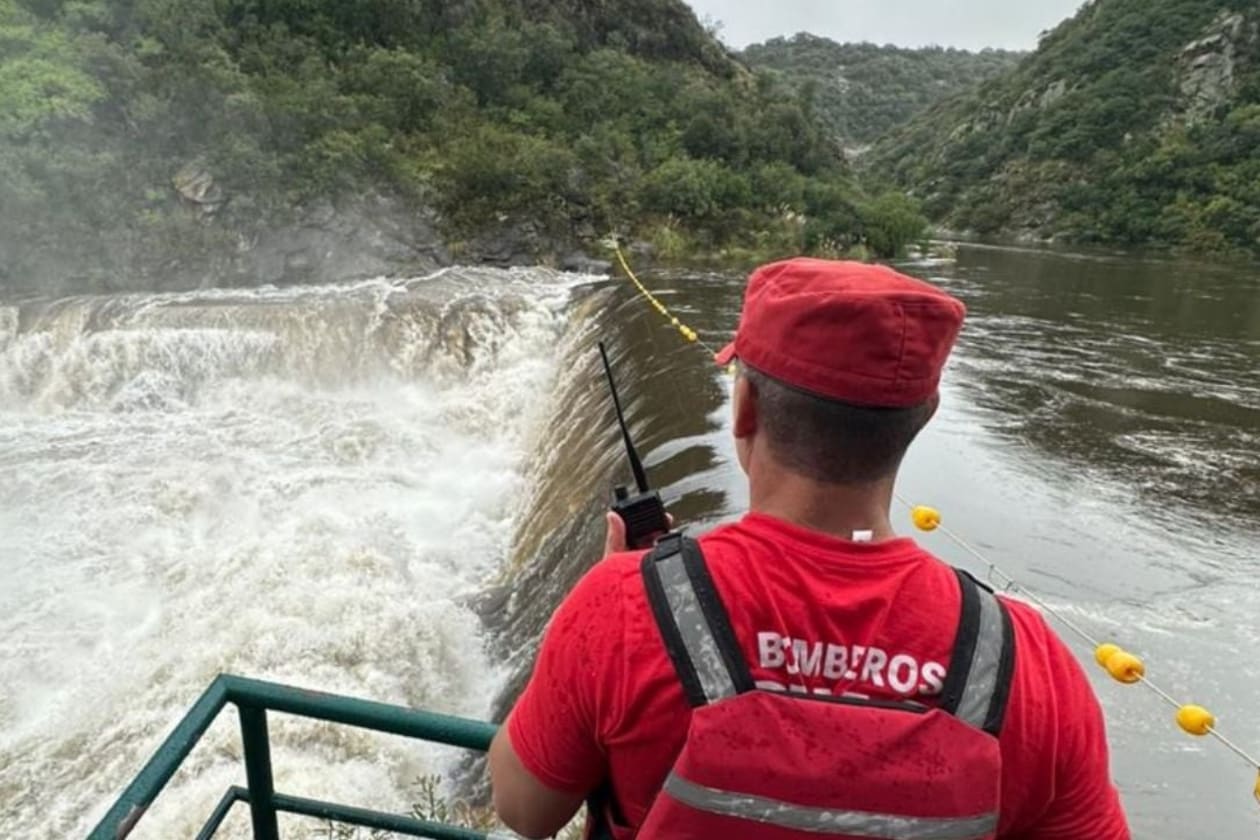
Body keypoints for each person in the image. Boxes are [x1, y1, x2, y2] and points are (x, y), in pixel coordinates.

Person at [489, 258, 1130, 839]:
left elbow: (523, 809)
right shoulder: (1027, 662)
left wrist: (609, 596)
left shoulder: (624, 606)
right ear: (921, 421)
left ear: (744, 410)